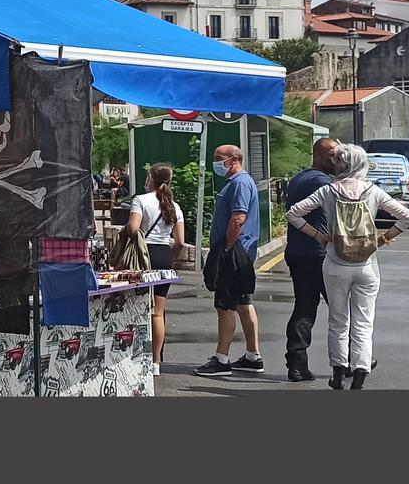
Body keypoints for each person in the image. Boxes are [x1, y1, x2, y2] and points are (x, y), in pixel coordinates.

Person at [286, 143, 409, 389]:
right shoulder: (373, 191)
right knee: (364, 321)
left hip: (335, 262)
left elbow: (293, 214)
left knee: (338, 321)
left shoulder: (328, 191)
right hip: (367, 264)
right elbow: (407, 217)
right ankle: (361, 373)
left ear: (340, 163)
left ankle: (337, 373)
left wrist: (319, 236)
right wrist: (383, 239)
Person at [194, 145, 265, 377]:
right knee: (243, 302)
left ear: (234, 159)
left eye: (219, 158)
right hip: (239, 251)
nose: (216, 162)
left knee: (224, 304)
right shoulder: (236, 182)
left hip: (234, 252)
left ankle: (221, 358)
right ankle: (253, 356)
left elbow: (238, 219)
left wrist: (226, 247)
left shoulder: (239, 183)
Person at [282, 138, 340, 382]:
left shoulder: (299, 178)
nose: (337, 161)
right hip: (319, 254)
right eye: (333, 156)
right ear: (321, 156)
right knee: (341, 310)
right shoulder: (322, 183)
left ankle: (297, 363)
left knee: (304, 307)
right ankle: (352, 360)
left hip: (296, 252)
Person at [125, 162, 186, 375]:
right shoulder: (174, 206)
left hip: (143, 256)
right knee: (158, 313)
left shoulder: (140, 200)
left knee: (136, 305)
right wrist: (172, 256)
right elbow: (179, 241)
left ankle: (132, 356)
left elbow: (133, 228)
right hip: (163, 256)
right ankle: (155, 361)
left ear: (150, 177)